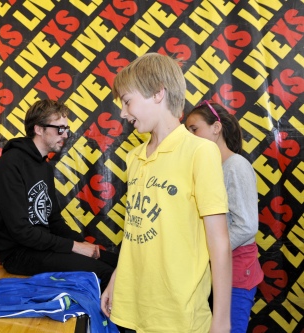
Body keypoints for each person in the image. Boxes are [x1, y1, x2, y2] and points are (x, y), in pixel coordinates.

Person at [100, 53, 232, 333]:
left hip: (180, 315)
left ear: (158, 93)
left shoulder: (200, 151)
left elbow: (219, 243)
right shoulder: (134, 157)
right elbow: (136, 230)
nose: (123, 112)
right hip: (134, 306)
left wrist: (221, 320)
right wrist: (115, 279)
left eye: (127, 101)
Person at [0, 98, 118, 291]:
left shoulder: (44, 166)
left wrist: (82, 243)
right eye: (59, 129)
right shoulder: (10, 164)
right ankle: (114, 321)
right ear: (39, 129)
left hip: (42, 247)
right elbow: (21, 231)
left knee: (117, 263)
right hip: (18, 254)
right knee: (103, 273)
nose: (64, 135)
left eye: (66, 129)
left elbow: (53, 220)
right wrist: (75, 247)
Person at [185, 101, 264, 333]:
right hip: (213, 272)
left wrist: (206, 251)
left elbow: (247, 225)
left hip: (237, 273)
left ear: (216, 128)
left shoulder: (235, 166)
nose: (191, 136)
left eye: (194, 129)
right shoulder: (208, 167)